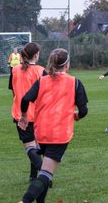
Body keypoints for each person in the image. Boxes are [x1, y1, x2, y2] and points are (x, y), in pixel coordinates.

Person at [17, 48, 88, 203]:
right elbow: (84, 111)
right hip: (59, 135)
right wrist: (76, 116)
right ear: (67, 65)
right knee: (45, 175)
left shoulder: (42, 81)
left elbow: (24, 99)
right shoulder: (75, 82)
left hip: (41, 132)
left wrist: (23, 116)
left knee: (44, 171)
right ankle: (25, 201)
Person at [10, 42, 46, 182]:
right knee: (35, 147)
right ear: (36, 55)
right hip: (38, 114)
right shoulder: (41, 71)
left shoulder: (14, 70)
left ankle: (35, 176)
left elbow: (13, 91)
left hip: (20, 114)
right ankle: (43, 174)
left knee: (31, 148)